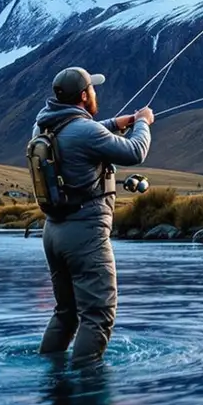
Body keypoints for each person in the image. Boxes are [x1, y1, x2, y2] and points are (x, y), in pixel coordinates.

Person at [33, 67, 153, 363]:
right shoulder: (86, 132)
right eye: (93, 89)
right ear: (85, 96)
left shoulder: (42, 128)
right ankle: (87, 390)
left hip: (54, 232)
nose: (96, 93)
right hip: (85, 234)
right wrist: (142, 122)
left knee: (66, 314)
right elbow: (135, 151)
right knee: (98, 315)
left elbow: (80, 133)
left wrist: (113, 123)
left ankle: (53, 381)